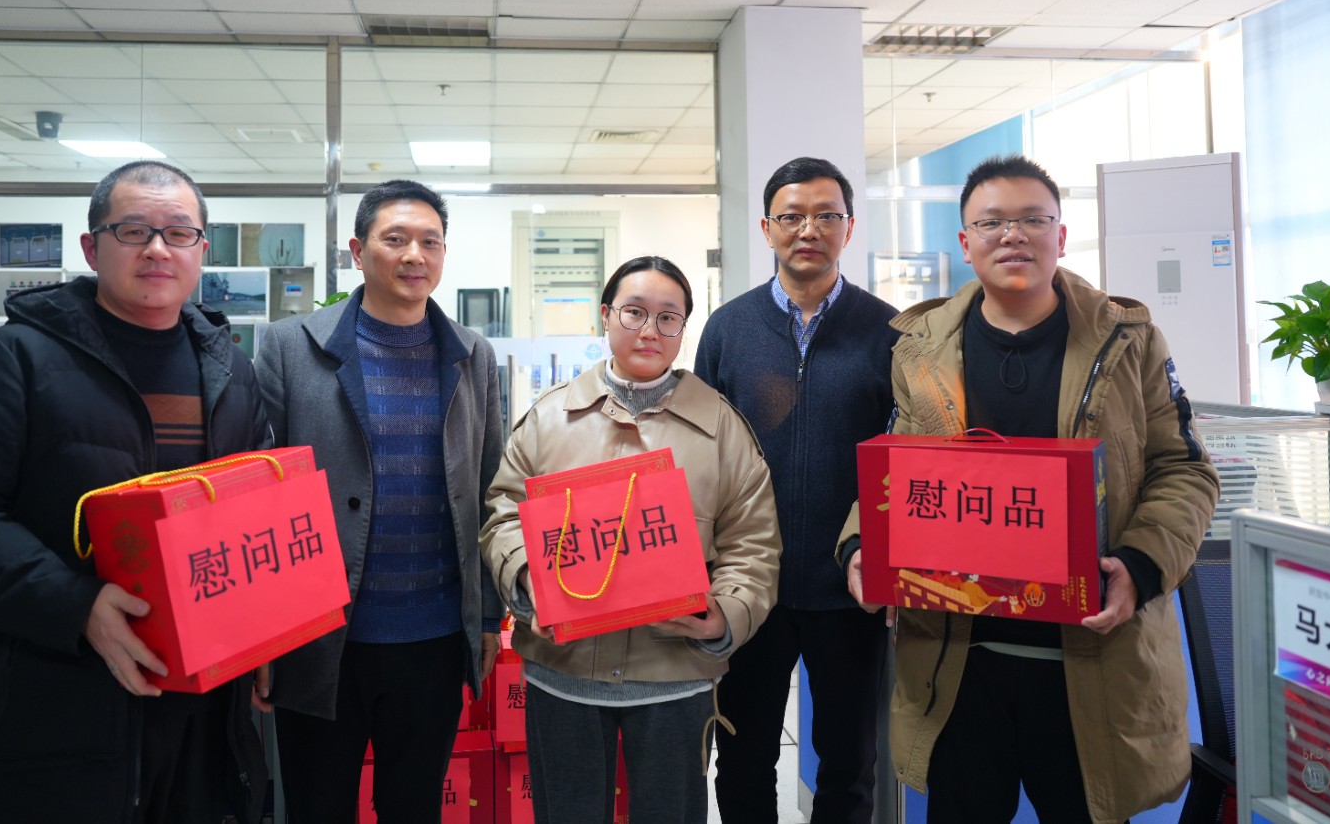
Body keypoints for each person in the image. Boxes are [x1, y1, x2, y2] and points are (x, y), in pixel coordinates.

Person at [839, 154, 1220, 824]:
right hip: (959, 660)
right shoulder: (920, 348)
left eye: (1033, 220)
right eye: (992, 222)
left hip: (1089, 661)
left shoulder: (1128, 341)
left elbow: (1184, 470)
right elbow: (895, 473)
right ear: (966, 243)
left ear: (1061, 236)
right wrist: (860, 549)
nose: (1013, 235)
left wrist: (1140, 567)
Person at [0, 160, 271, 824]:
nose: (157, 248)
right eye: (133, 230)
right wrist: (78, 607)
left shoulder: (229, 369)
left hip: (204, 716)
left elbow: (252, 513)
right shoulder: (13, 359)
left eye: (178, 232)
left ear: (201, 250)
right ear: (91, 247)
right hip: (62, 708)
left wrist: (266, 631)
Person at [481, 255, 781, 823]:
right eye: (634, 312)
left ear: (683, 329)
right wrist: (528, 580)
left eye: (668, 318)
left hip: (675, 676)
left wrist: (724, 615)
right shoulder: (549, 418)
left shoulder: (722, 427)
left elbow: (753, 543)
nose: (650, 330)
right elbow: (503, 516)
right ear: (606, 315)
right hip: (563, 669)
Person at [254, 180, 504, 823]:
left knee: (413, 808)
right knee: (316, 808)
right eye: (395, 239)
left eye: (430, 242)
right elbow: (259, 497)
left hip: (433, 638)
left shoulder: (472, 355)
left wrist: (485, 618)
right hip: (320, 638)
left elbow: (490, 490)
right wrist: (262, 637)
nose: (414, 255)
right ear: (357, 251)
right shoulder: (289, 347)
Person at [694, 156, 898, 823]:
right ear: (767, 227)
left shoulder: (890, 331)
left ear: (849, 227)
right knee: (742, 758)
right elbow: (702, 453)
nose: (808, 229)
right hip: (749, 586)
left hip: (849, 588)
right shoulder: (728, 328)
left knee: (849, 765)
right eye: (792, 216)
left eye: (826, 215)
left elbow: (900, 457)